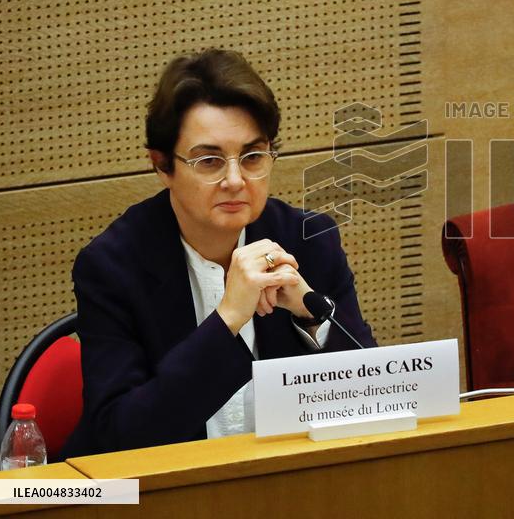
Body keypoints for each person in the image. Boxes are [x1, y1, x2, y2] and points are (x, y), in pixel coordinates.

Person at [63, 49, 375, 457]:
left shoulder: (308, 240)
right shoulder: (113, 266)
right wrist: (227, 319)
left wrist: (311, 317)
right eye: (209, 161)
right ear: (161, 166)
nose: (234, 180)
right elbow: (122, 436)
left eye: (253, 157)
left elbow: (372, 399)